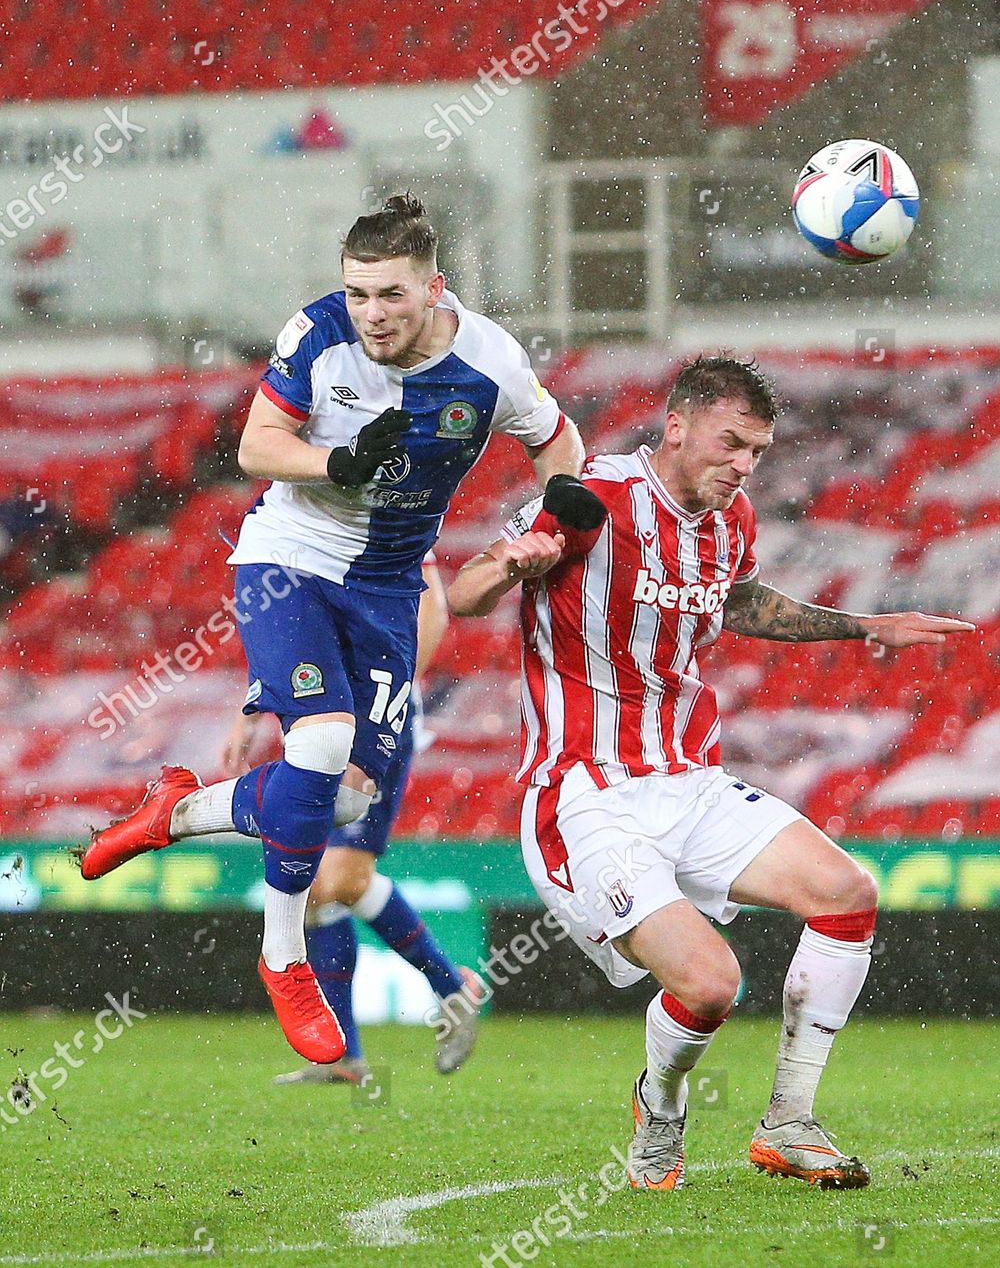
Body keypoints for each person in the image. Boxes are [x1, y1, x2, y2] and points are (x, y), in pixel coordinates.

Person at [81, 193, 592, 1066]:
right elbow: (256, 446)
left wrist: (557, 511)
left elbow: (559, 442)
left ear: (435, 289)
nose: (371, 314)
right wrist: (336, 462)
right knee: (318, 747)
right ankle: (285, 959)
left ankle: (177, 812)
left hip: (390, 587)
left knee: (344, 798)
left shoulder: (491, 364)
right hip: (289, 558)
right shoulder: (315, 337)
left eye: (390, 295)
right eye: (358, 294)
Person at [446, 354, 974, 1191]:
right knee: (709, 982)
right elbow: (465, 592)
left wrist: (866, 624)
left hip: (686, 778)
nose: (743, 465)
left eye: (757, 452)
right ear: (678, 426)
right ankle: (659, 1109)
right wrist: (518, 562)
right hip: (587, 790)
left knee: (847, 894)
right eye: (731, 444)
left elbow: (742, 602)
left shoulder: (732, 523)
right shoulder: (593, 496)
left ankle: (789, 1124)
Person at [220, 554, 483, 1083]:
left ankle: (453, 988)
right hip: (321, 721)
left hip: (374, 719)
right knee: (315, 886)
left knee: (341, 877)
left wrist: (388, 695)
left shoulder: (380, 514)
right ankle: (345, 1057)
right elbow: (289, 632)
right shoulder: (302, 534)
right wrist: (248, 712)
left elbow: (433, 608)